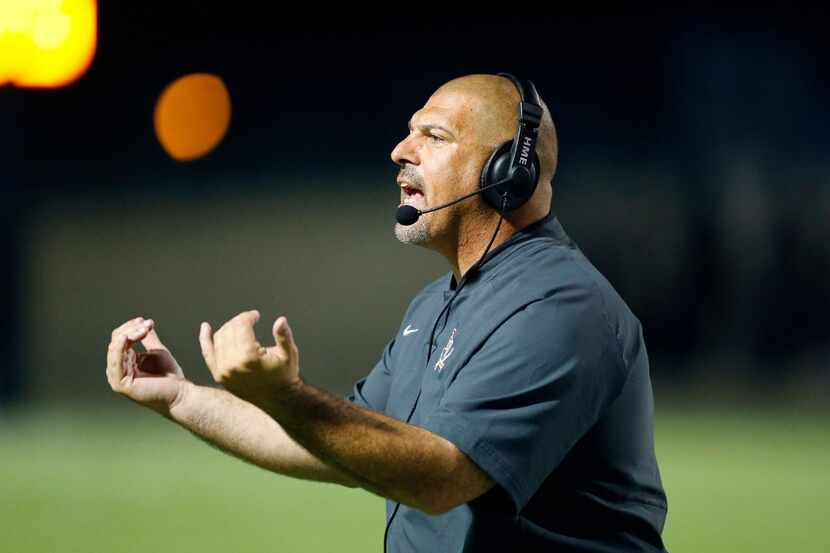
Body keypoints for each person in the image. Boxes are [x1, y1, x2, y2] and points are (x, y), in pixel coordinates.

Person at [106, 73, 668, 552]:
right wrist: (181, 398)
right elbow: (338, 446)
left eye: (434, 135)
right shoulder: (437, 303)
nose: (401, 150)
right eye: (408, 131)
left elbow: (442, 477)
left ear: (508, 172)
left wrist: (285, 394)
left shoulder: (559, 305)